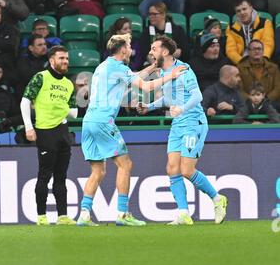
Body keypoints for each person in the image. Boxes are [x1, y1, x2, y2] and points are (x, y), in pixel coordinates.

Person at [77, 33, 187, 226]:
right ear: (122, 50)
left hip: (89, 122)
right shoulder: (119, 67)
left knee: (98, 171)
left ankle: (84, 214)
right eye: (128, 45)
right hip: (104, 121)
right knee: (125, 165)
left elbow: (133, 78)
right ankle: (122, 214)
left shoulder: (104, 66)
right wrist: (170, 75)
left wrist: (153, 67)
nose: (131, 49)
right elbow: (144, 87)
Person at [137, 35, 228, 225]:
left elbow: (197, 96)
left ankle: (218, 199)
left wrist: (182, 109)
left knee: (187, 170)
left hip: (193, 122)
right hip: (178, 124)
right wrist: (149, 106)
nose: (151, 52)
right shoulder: (164, 72)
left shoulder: (184, 69)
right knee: (172, 168)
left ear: (165, 52)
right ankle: (184, 213)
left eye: (154, 48)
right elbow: (168, 99)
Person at [20, 45, 77, 226]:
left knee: (61, 176)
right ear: (52, 60)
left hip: (63, 131)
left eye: (67, 58)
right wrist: (29, 127)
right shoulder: (40, 77)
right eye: (61, 58)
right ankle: (41, 216)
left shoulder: (68, 84)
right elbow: (25, 101)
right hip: (45, 131)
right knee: (45, 174)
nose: (65, 61)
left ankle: (62, 216)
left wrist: (64, 107)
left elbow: (74, 113)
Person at [139, 2, 191, 67]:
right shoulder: (146, 32)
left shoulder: (178, 30)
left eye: (154, 14)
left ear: (163, 15)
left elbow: (185, 51)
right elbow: (145, 54)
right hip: (153, 66)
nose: (151, 17)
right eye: (150, 14)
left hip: (175, 65)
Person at [226, 0, 275, 65]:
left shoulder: (265, 23)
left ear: (251, 8)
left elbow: (268, 44)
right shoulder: (231, 28)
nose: (242, 13)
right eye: (238, 11)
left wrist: (263, 60)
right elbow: (230, 50)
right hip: (241, 62)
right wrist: (242, 63)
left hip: (261, 59)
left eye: (244, 9)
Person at [237, 39, 280, 106]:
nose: (257, 51)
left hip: (270, 104)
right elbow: (239, 89)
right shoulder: (240, 68)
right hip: (247, 104)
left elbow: (278, 88)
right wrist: (251, 99)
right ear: (248, 51)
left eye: (259, 49)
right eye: (254, 49)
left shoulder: (273, 68)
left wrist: (266, 99)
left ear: (263, 51)